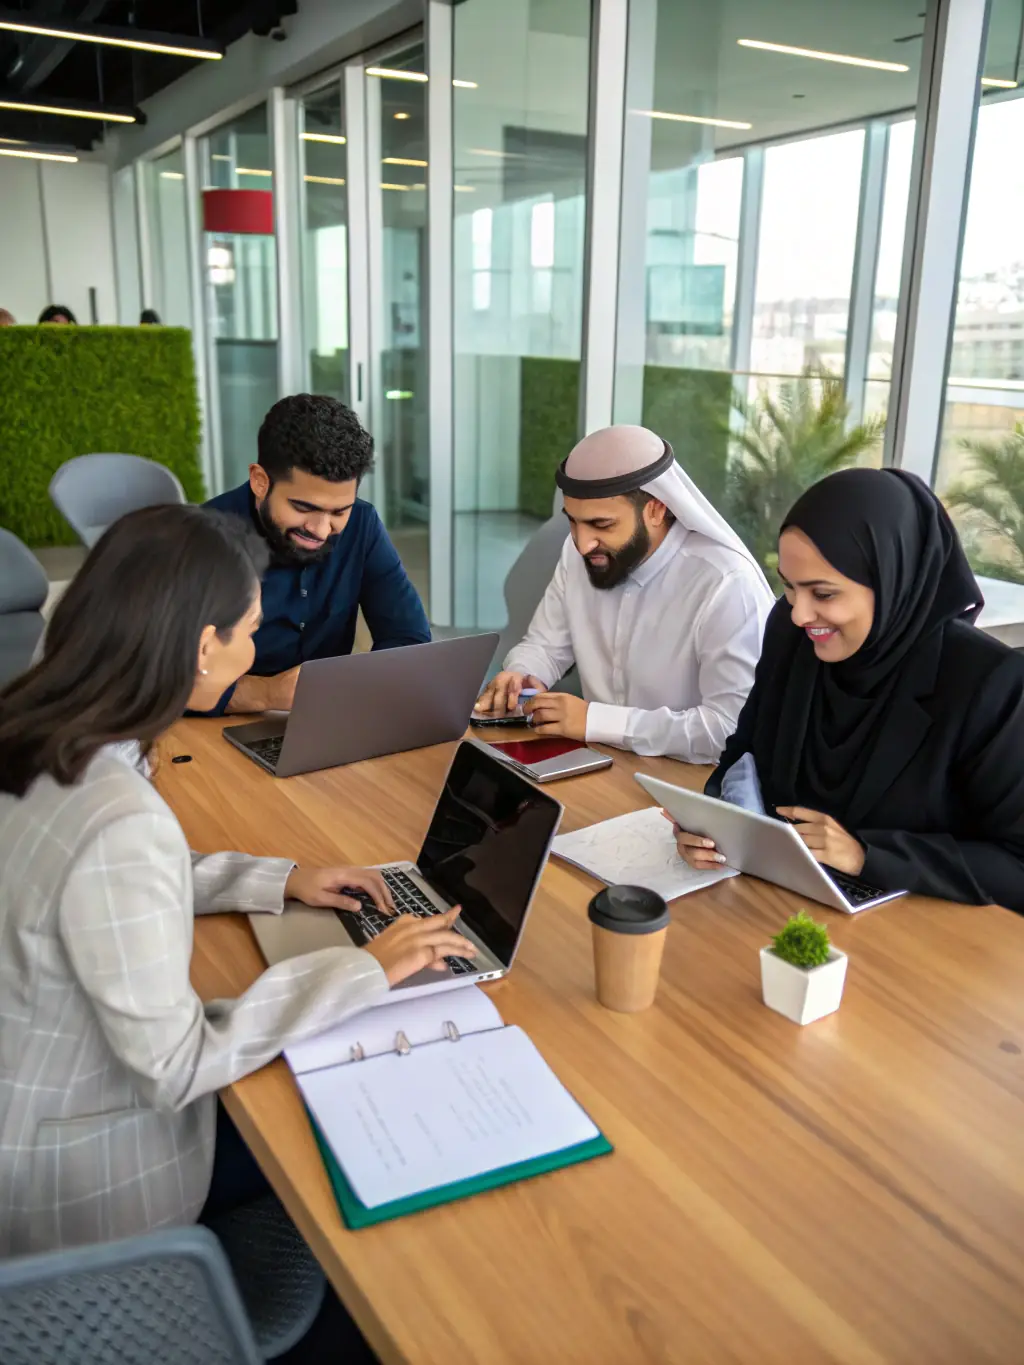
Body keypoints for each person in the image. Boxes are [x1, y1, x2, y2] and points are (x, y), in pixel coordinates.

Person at [0, 504, 475, 1256]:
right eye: (248, 630)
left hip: (30, 1100)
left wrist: (280, 880)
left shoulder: (44, 735)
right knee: (362, 1150)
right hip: (81, 1184)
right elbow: (176, 1063)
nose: (256, 647)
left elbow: (100, 881)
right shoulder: (119, 815)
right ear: (201, 648)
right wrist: (362, 968)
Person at [673, 467, 1024, 913]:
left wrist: (865, 855)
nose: (800, 613)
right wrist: (708, 825)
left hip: (917, 939)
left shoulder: (989, 684)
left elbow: (1016, 865)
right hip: (775, 902)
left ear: (892, 582)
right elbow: (743, 755)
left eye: (823, 593)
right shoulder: (791, 634)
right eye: (789, 587)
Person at [475, 425, 774, 762]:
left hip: (687, 782)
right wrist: (522, 674)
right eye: (573, 521)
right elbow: (545, 644)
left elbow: (730, 728)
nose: (582, 543)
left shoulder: (726, 583)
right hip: (595, 763)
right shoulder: (578, 553)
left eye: (601, 525)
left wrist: (595, 721)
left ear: (657, 509)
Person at [201, 393, 430, 715]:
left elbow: (408, 639)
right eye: (303, 508)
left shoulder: (362, 524)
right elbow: (161, 679)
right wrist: (267, 693)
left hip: (327, 717)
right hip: (211, 729)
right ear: (260, 481)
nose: (321, 530)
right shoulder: (202, 540)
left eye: (339, 511)